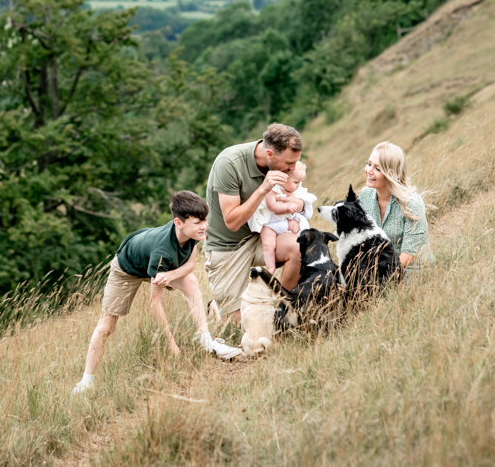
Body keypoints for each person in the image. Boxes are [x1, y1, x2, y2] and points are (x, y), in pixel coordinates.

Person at [72, 191, 242, 395]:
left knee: (190, 281)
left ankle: (205, 340)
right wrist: (171, 344)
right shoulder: (162, 251)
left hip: (155, 263)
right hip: (126, 269)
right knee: (107, 326)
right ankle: (86, 381)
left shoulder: (192, 234)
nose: (204, 226)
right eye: (198, 222)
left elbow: (189, 266)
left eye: (205, 220)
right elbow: (155, 302)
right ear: (179, 223)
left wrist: (170, 276)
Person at [204, 123, 313, 325]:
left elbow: (298, 197)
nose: (292, 168)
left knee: (301, 246)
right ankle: (217, 308)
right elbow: (232, 222)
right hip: (228, 245)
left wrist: (297, 204)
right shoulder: (229, 164)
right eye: (289, 163)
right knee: (236, 326)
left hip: (263, 237)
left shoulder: (282, 165)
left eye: (295, 162)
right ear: (269, 154)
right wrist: (263, 188)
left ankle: (283, 314)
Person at [359, 141, 432, 270]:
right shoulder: (365, 195)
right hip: (376, 268)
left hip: (410, 270)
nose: (369, 171)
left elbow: (409, 255)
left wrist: (375, 276)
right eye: (369, 164)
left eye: (377, 168)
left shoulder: (412, 204)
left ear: (390, 174)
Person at [247, 161, 316, 275]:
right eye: (296, 182)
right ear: (283, 178)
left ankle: (307, 259)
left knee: (301, 233)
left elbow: (307, 207)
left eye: (300, 182)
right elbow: (272, 206)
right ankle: (270, 267)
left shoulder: (296, 190)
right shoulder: (273, 188)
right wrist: (287, 207)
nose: (298, 185)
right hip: (270, 224)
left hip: (286, 222)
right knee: (268, 244)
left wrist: (299, 204)